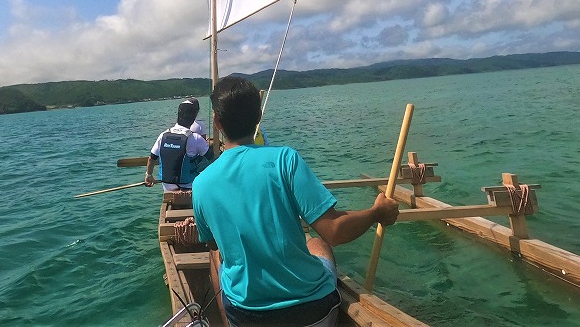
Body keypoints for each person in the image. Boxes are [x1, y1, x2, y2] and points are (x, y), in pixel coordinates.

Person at [192, 77, 399, 327]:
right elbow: (334, 230)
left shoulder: (201, 184)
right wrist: (376, 213)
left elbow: (214, 243)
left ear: (216, 121)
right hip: (312, 313)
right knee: (317, 242)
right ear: (259, 116)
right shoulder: (285, 159)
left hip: (247, 317)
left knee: (219, 258)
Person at [144, 98, 212, 191]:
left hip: (168, 186)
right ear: (193, 119)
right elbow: (212, 159)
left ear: (178, 115)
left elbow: (151, 159)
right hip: (188, 185)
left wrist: (149, 175)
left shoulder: (163, 135)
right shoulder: (195, 138)